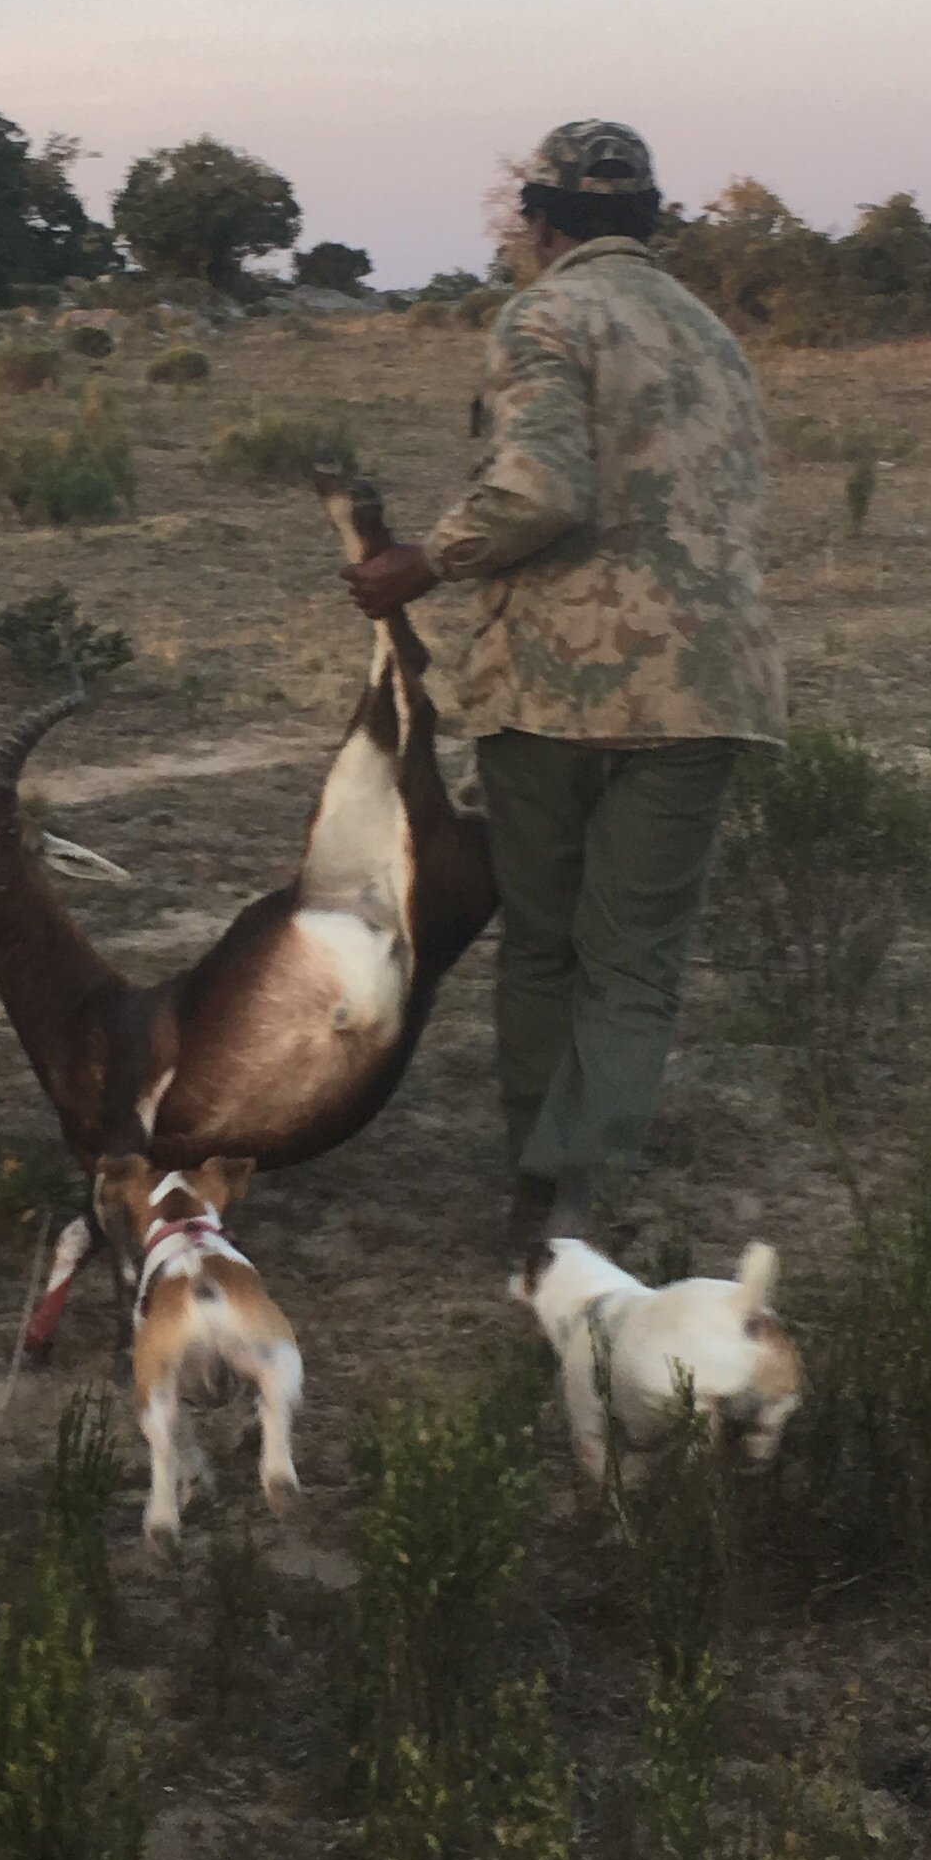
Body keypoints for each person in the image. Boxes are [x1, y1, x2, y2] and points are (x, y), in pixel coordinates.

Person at [347, 119, 785, 1260]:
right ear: (646, 222)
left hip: (556, 688)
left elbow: (541, 491)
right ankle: (580, 1188)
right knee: (635, 956)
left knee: (544, 943)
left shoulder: (543, 314)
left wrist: (422, 560)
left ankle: (535, 1192)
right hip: (705, 690)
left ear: (542, 223)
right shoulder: (715, 339)